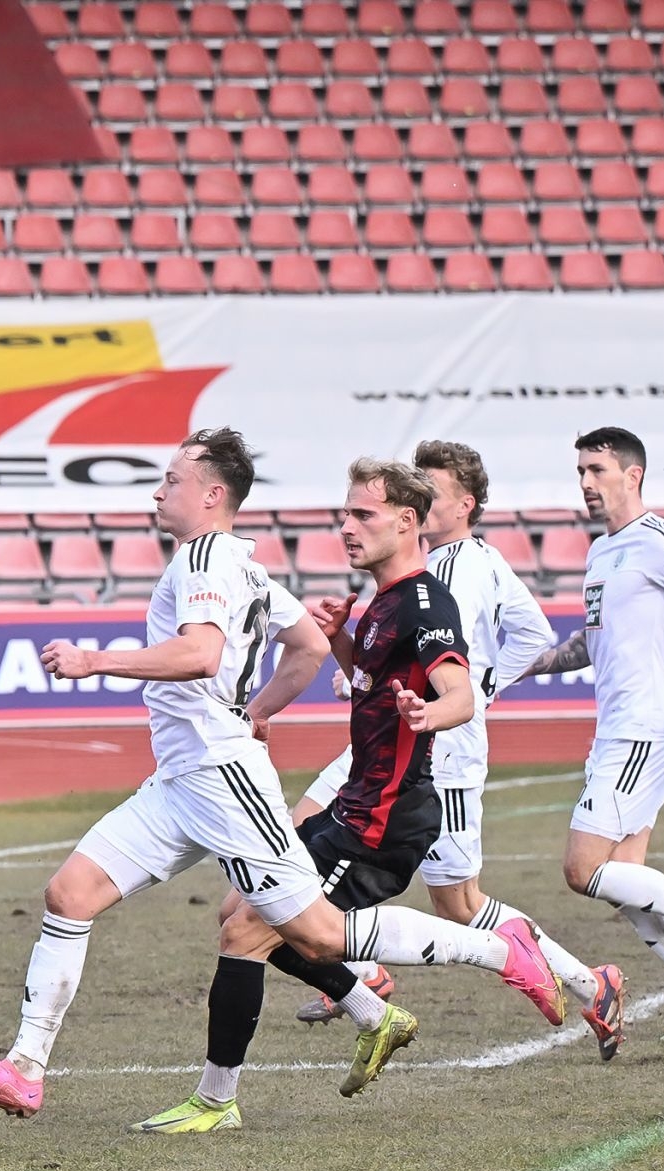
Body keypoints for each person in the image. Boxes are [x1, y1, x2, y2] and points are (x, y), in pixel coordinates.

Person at [0, 435, 563, 1131]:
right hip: (182, 778)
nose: (158, 492)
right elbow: (309, 647)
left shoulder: (209, 557)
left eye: (172, 480)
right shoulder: (244, 565)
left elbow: (202, 654)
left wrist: (93, 660)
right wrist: (258, 709)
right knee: (72, 894)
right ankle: (24, 1069)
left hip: (223, 776)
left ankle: (497, 950)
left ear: (211, 494)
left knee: (311, 933)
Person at [132, 457, 570, 1133]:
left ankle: (218, 1100)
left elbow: (457, 690)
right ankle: (372, 1013)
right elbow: (369, 681)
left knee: (251, 929)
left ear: (406, 521)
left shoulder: (425, 603)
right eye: (345, 513)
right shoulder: (383, 601)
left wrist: (431, 712)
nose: (346, 526)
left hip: (384, 815)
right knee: (239, 910)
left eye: (363, 514)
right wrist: (341, 640)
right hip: (357, 800)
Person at [288, 441, 629, 1061]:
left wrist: (473, 691)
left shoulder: (444, 573)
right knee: (296, 841)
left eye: (433, 491)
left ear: (463, 504)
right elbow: (533, 633)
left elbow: (477, 656)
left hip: (433, 748)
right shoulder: (479, 559)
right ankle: (357, 970)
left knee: (459, 903)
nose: (421, 499)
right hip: (398, 737)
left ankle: (586, 982)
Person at [516, 428, 664, 1041]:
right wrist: (519, 666)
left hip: (645, 726)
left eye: (597, 470)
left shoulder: (658, 538)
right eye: (580, 471)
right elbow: (589, 645)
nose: (586, 482)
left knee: (582, 869)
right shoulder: (602, 552)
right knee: (627, 880)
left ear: (633, 475)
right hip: (622, 726)